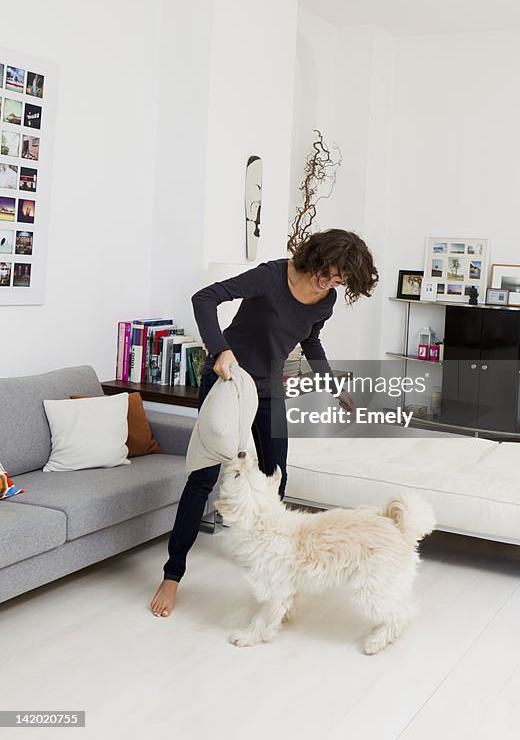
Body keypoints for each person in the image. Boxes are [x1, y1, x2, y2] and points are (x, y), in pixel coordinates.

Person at [150, 228, 378, 617]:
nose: (330, 282)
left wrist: (331, 383)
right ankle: (172, 576)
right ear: (317, 256)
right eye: (329, 272)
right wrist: (220, 349)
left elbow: (310, 340)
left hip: (269, 387)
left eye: (340, 280)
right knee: (204, 477)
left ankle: (271, 563)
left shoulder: (327, 300)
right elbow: (204, 298)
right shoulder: (272, 275)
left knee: (276, 476)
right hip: (228, 380)